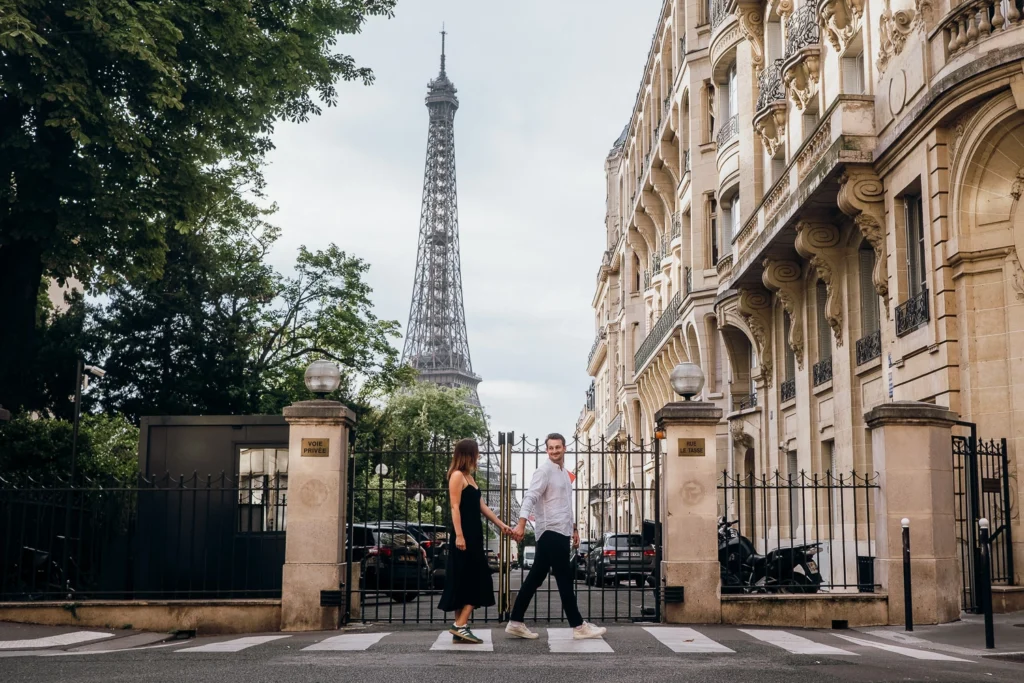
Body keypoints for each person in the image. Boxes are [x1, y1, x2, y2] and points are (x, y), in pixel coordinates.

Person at [506, 433, 607, 640]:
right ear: (547, 450)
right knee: (564, 578)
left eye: (557, 447)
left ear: (564, 448)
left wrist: (574, 529)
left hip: (561, 530)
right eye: (550, 448)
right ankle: (578, 626)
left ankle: (515, 621)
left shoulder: (563, 473)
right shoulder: (544, 471)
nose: (554, 451)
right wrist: (521, 523)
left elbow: (565, 506)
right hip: (550, 530)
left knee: (535, 577)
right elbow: (530, 496)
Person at [438, 438, 512, 644]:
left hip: (475, 535)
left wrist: (501, 525)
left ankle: (460, 628)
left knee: (464, 579)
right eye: (476, 452)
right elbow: (454, 507)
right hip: (465, 535)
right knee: (478, 578)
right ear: (468, 454)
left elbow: (483, 507)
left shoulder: (470, 478)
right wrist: (459, 535)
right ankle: (460, 625)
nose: (479, 456)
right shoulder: (457, 476)